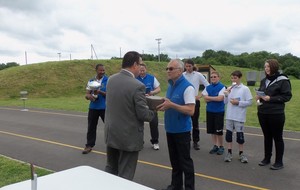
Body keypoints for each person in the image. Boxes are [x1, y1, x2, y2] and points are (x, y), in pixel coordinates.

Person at [104, 51, 155, 180]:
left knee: (111, 169)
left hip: (111, 133)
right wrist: (154, 110)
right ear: (134, 64)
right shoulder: (138, 85)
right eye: (140, 64)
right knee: (125, 174)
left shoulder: (111, 79)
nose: (141, 67)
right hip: (128, 137)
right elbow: (143, 114)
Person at [157, 59, 195, 190]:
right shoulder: (170, 85)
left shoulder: (188, 87)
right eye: (167, 68)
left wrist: (171, 104)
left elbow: (190, 110)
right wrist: (165, 106)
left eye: (171, 69)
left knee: (185, 162)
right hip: (170, 129)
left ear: (180, 70)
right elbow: (171, 104)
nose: (168, 71)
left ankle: (189, 187)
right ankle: (176, 185)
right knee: (174, 161)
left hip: (182, 131)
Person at [256, 59, 292, 170]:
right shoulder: (263, 80)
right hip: (263, 112)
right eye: (265, 66)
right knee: (267, 137)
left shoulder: (283, 80)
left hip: (276, 113)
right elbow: (262, 93)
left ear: (274, 67)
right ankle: (267, 158)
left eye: (268, 66)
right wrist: (259, 97)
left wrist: (271, 98)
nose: (266, 68)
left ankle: (279, 162)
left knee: (277, 138)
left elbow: (287, 96)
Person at [223, 70, 253, 163]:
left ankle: (241, 154)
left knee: (240, 136)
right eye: (232, 78)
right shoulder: (229, 88)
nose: (233, 80)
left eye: (235, 78)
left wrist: (238, 102)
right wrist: (226, 95)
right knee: (228, 135)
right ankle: (229, 153)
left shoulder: (245, 89)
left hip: (239, 116)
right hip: (229, 116)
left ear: (240, 78)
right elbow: (225, 102)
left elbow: (250, 102)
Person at [183, 59, 209, 150]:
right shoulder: (182, 75)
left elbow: (207, 85)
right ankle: (186, 139)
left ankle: (195, 141)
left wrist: (200, 95)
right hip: (184, 101)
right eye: (186, 66)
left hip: (194, 101)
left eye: (190, 66)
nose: (188, 68)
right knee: (185, 121)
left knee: (195, 122)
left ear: (193, 66)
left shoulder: (198, 75)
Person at [82, 64, 108, 154]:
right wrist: (90, 97)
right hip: (93, 107)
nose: (102, 72)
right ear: (96, 70)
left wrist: (99, 92)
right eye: (100, 70)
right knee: (91, 127)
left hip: (105, 107)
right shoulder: (91, 81)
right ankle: (89, 145)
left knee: (109, 127)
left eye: (103, 70)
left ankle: (114, 145)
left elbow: (110, 94)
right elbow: (87, 94)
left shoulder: (108, 80)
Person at [136, 63, 161, 150]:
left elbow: (158, 88)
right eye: (140, 70)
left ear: (146, 69)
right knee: (138, 124)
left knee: (154, 123)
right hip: (139, 103)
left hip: (150, 103)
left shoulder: (152, 78)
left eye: (143, 70)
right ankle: (139, 142)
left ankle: (155, 142)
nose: (142, 72)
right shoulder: (134, 78)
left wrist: (151, 92)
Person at [202, 71, 226, 155]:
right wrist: (214, 98)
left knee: (219, 131)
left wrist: (209, 98)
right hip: (210, 111)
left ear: (218, 77)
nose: (213, 78)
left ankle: (221, 146)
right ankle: (215, 145)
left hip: (219, 112)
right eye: (212, 77)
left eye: (215, 77)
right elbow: (205, 99)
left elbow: (220, 98)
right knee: (212, 131)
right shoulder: (208, 87)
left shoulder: (222, 87)